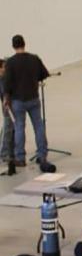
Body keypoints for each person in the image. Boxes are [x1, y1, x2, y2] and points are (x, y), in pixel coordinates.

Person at [2, 35, 54, 172]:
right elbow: (44, 74)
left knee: (19, 127)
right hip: (33, 98)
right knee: (38, 126)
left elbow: (7, 83)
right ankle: (42, 155)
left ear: (13, 46)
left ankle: (20, 158)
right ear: (24, 44)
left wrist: (6, 98)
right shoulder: (34, 58)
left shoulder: (10, 62)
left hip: (18, 100)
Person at [0, 59, 15, 175]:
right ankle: (4, 154)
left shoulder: (5, 78)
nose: (6, 68)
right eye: (4, 67)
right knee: (7, 129)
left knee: (11, 129)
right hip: (8, 106)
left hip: (11, 105)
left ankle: (10, 152)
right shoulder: (2, 80)